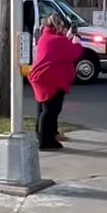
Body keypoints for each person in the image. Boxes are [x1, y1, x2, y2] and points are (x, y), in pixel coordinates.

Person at [28, 15, 82, 151]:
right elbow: (74, 52)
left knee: (42, 109)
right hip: (52, 80)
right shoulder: (58, 40)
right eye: (63, 27)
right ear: (58, 26)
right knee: (51, 110)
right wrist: (77, 42)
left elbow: (59, 50)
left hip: (41, 77)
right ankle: (46, 141)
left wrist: (66, 38)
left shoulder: (45, 38)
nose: (64, 29)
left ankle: (42, 135)